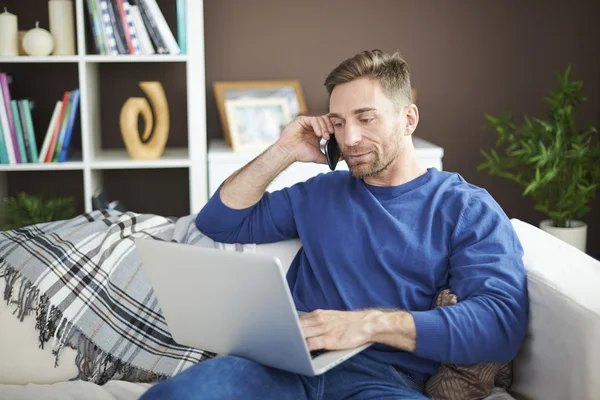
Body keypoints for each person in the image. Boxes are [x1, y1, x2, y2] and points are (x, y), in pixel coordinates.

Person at [140, 49, 528, 400]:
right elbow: (220, 222)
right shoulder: (319, 192)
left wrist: (368, 325)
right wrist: (284, 151)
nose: (351, 138)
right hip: (284, 367)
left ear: (408, 118)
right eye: (339, 123)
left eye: (366, 118)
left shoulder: (465, 207)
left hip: (385, 380)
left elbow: (500, 324)